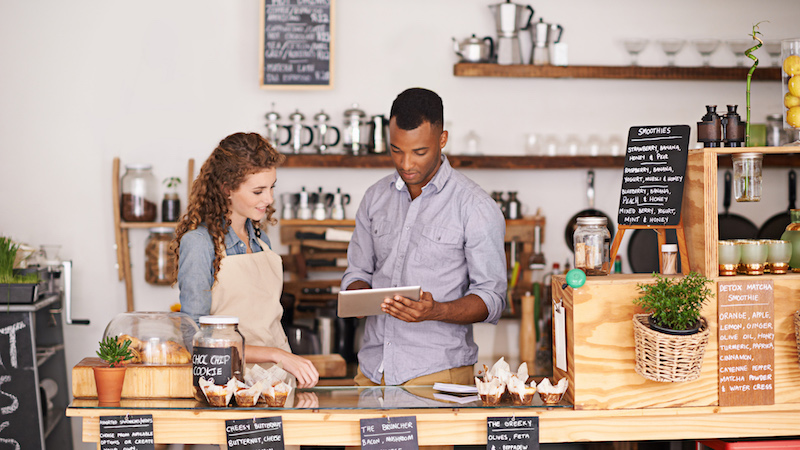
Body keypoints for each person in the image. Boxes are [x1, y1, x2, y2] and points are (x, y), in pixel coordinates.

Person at [342, 88, 507, 386]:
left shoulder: (476, 207)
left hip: (438, 376)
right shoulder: (374, 198)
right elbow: (358, 272)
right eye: (396, 150)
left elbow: (492, 297)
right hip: (371, 373)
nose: (406, 164)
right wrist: (357, 298)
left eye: (419, 152)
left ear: (442, 140)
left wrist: (437, 311)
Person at [174, 132, 319, 387]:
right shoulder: (199, 244)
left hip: (278, 382)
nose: (269, 199)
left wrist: (290, 365)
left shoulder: (263, 243)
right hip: (227, 386)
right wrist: (277, 355)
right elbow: (196, 338)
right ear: (227, 189)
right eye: (258, 191)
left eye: (271, 187)